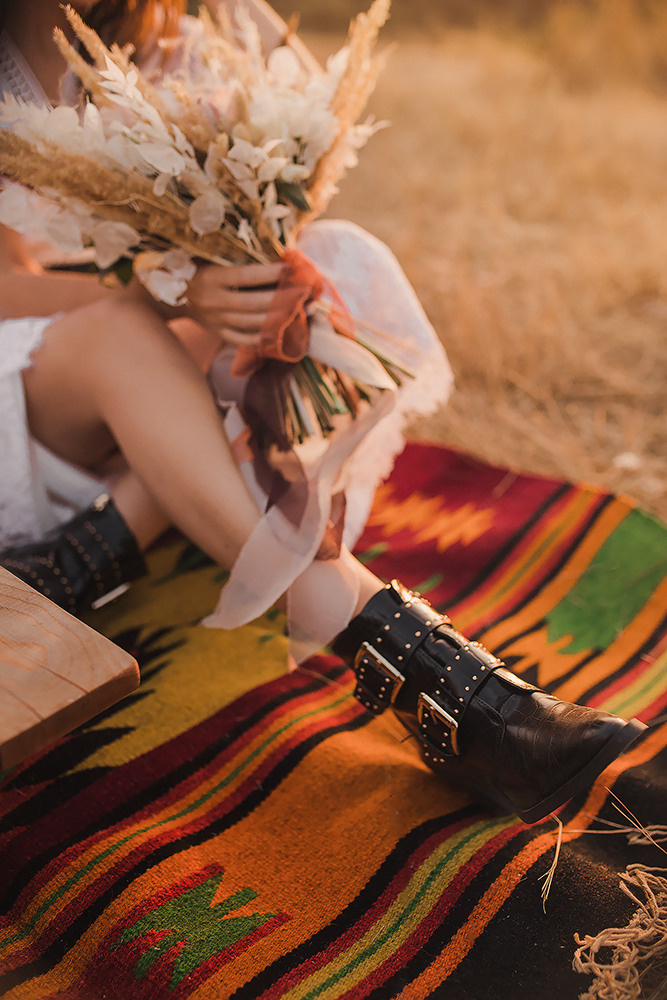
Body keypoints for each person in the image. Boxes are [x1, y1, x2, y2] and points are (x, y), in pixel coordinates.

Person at [0, 0, 646, 824]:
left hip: (158, 391)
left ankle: (85, 553)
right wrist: (170, 290)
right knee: (124, 331)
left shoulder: (201, 23)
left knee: (326, 277)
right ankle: (421, 669)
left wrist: (261, 267)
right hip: (38, 380)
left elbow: (282, 155)